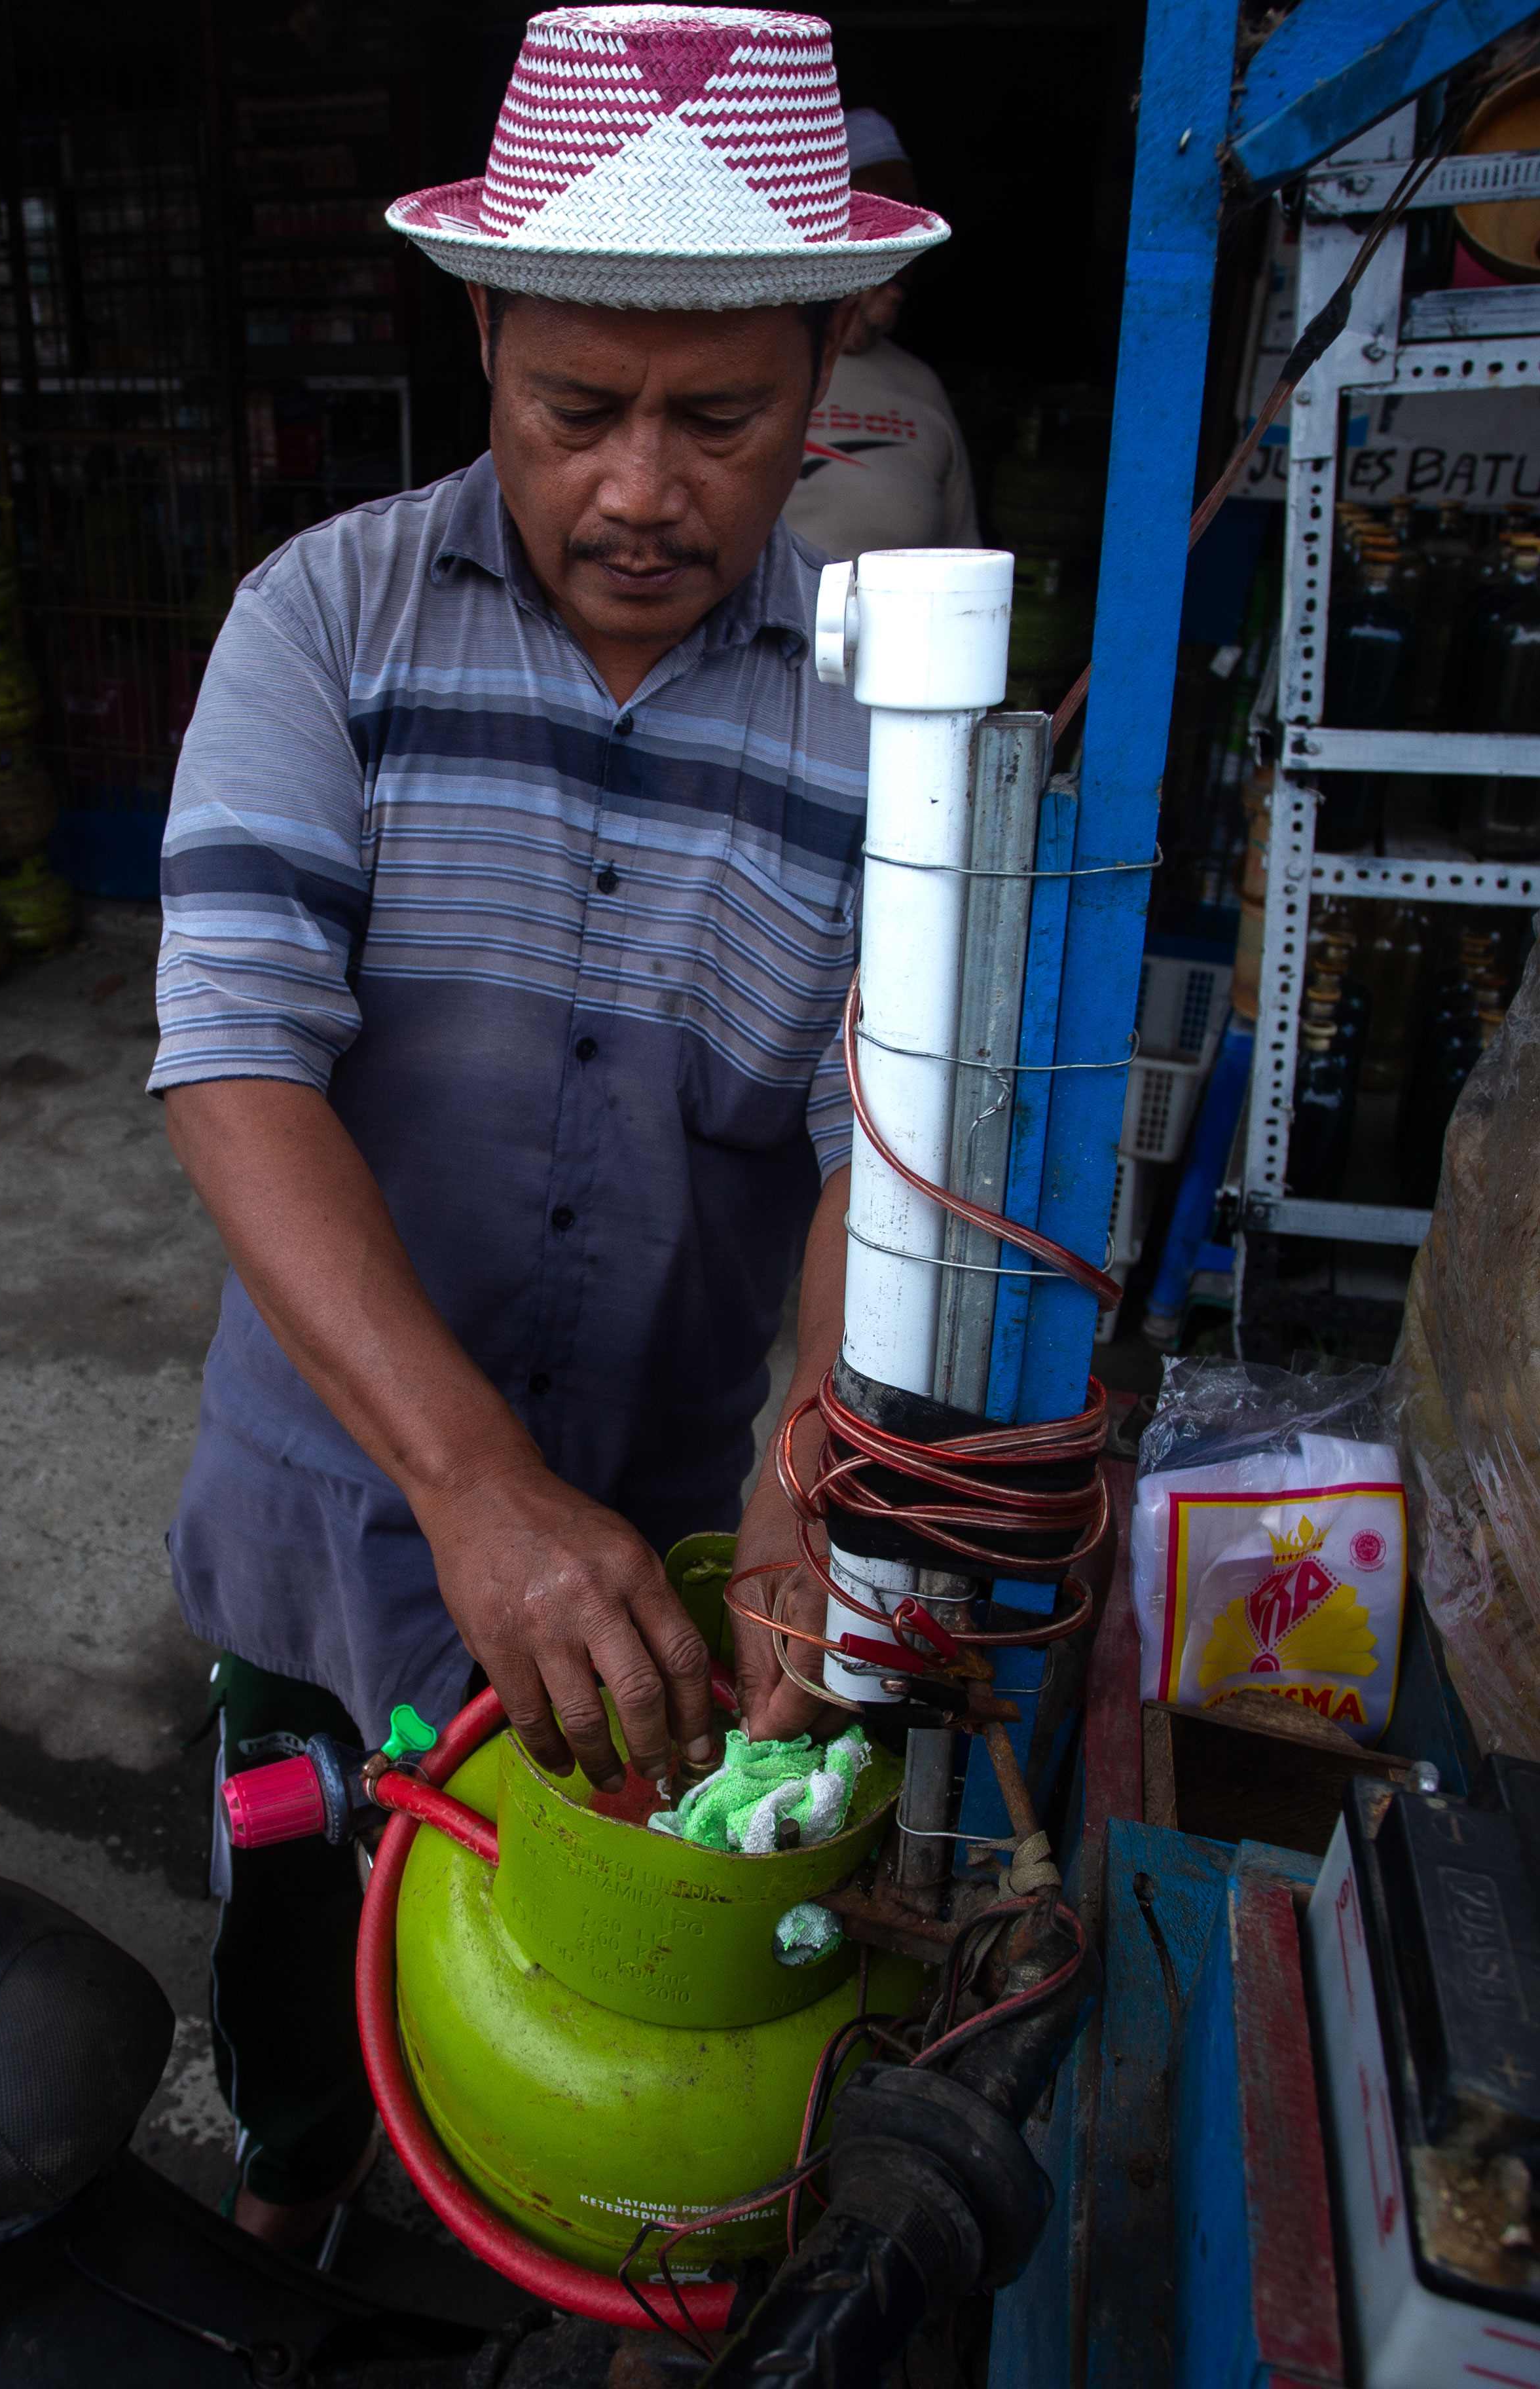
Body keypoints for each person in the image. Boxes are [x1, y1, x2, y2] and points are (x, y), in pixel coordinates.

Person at [147, 4, 946, 2255]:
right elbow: (232, 1053)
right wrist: (472, 1479)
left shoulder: (886, 724)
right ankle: (296, 2208)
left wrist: (817, 1458)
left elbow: (873, 1116)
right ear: (482, 331)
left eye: (720, 417)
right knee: (312, 1932)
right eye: (572, 408)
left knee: (613, 1971)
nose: (638, 487)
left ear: (830, 374)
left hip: (674, 1502)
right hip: (333, 1492)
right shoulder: (323, 622)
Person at [780, 107, 979, 561]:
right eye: (872, 229)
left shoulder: (919, 385)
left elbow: (964, 557)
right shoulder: (753, 358)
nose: (893, 287)